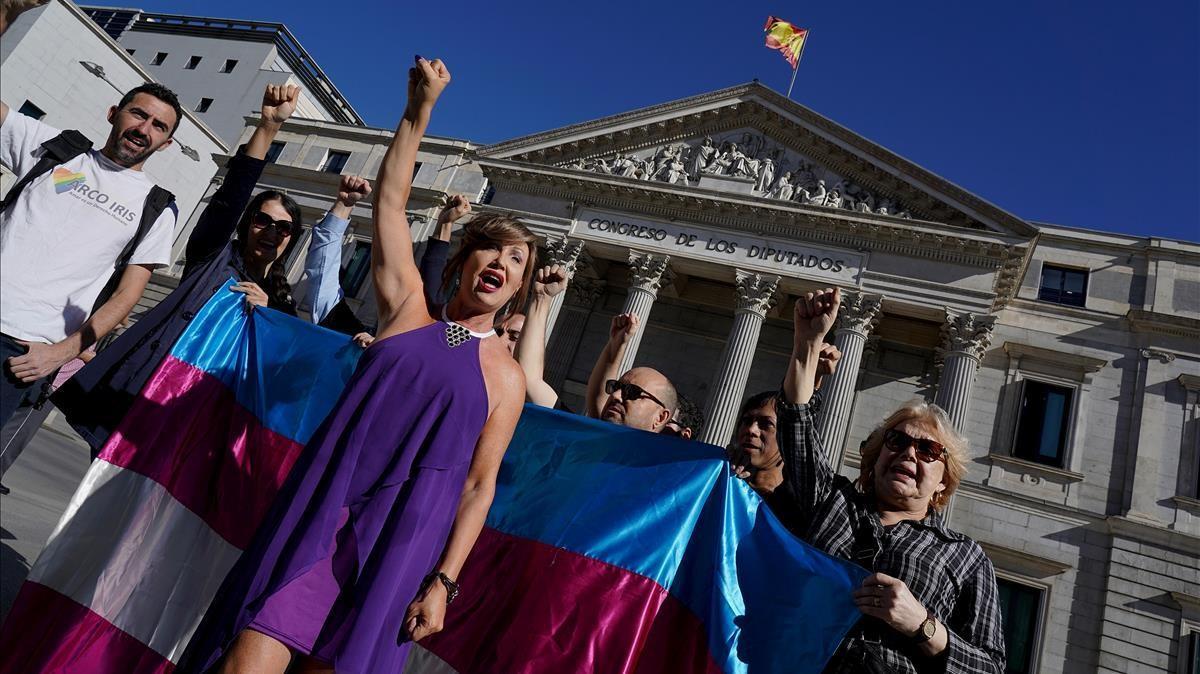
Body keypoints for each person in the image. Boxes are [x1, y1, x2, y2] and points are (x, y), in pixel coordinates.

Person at [179, 56, 532, 674]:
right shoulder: (407, 311)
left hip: (402, 542)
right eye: (490, 250)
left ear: (519, 290)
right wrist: (417, 113)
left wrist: (443, 583)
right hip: (325, 506)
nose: (500, 263)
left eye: (516, 261)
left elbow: (480, 485)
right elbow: (391, 204)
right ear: (463, 263)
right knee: (249, 652)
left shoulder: (508, 375)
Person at [51, 84, 303, 451]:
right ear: (248, 224)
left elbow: (283, 372)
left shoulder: (282, 306)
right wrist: (268, 128)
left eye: (283, 228)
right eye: (262, 221)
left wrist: (268, 319)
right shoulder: (212, 256)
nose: (271, 232)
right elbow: (230, 196)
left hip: (200, 418)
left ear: (291, 239)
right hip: (142, 390)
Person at [773, 287, 1005, 673]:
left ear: (943, 483)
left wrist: (922, 625)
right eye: (897, 441)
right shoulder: (832, 503)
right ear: (876, 458)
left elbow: (992, 667)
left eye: (928, 451)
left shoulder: (964, 556)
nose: (909, 454)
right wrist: (807, 344)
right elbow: (796, 422)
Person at [0, 1, 180, 433]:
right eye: (138, 113)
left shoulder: (156, 206)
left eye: (159, 126)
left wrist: (61, 352)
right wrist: (7, 14)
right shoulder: (57, 150)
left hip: (21, 350)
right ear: (113, 114)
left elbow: (126, 297)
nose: (144, 128)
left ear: (166, 144)